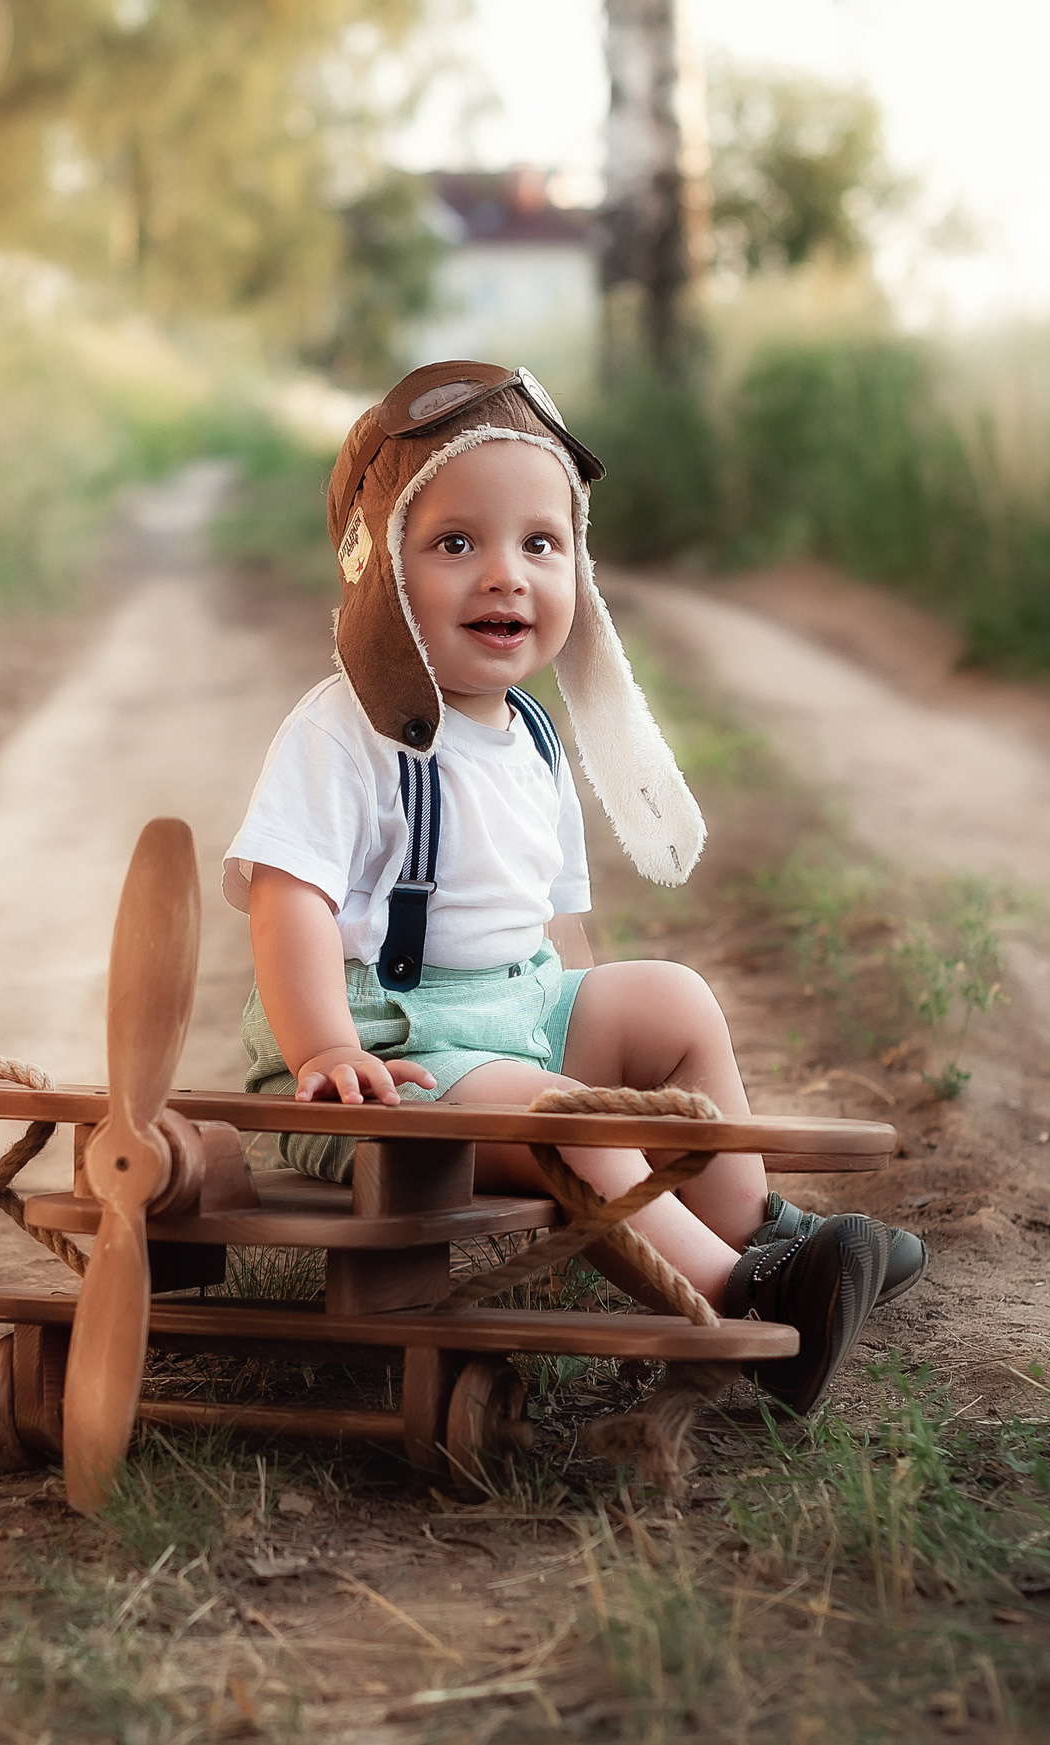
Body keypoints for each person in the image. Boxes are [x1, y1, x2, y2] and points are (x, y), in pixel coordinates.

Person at [222, 361, 923, 1414]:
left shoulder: (533, 736)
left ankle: (759, 1231)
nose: (505, 576)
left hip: (513, 1022)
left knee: (670, 1000)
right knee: (569, 1115)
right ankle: (735, 1300)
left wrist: (587, 1025)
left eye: (540, 544)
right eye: (456, 543)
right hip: (392, 1062)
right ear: (380, 568)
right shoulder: (344, 731)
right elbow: (290, 900)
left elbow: (561, 930)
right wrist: (325, 1049)